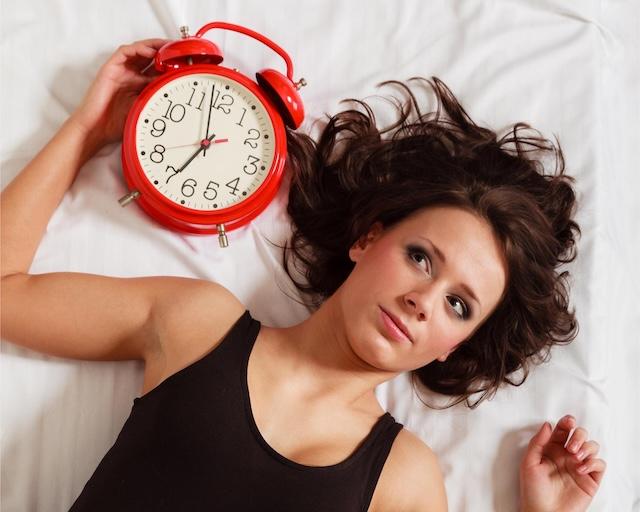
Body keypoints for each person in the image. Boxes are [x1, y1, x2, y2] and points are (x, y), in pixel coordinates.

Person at [0, 39, 606, 512]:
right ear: (367, 240)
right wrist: (88, 130)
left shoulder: (403, 479)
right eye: (421, 257)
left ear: (458, 343)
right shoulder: (198, 325)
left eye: (459, 306)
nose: (424, 300)